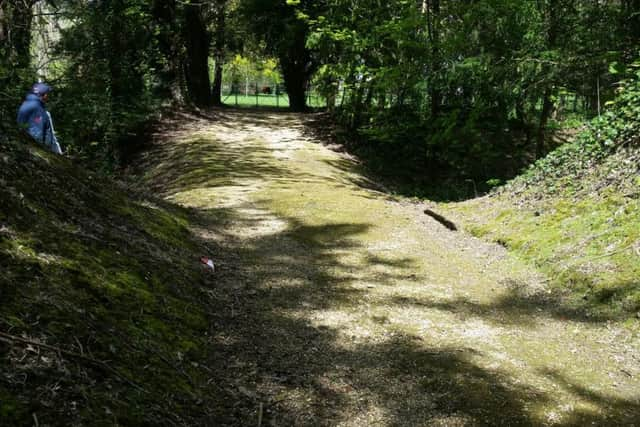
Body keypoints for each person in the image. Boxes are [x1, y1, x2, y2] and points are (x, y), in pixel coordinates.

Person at [17, 82, 63, 154]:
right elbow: (37, 134)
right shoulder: (37, 108)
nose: (48, 96)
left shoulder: (26, 104)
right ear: (44, 95)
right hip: (39, 153)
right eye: (47, 94)